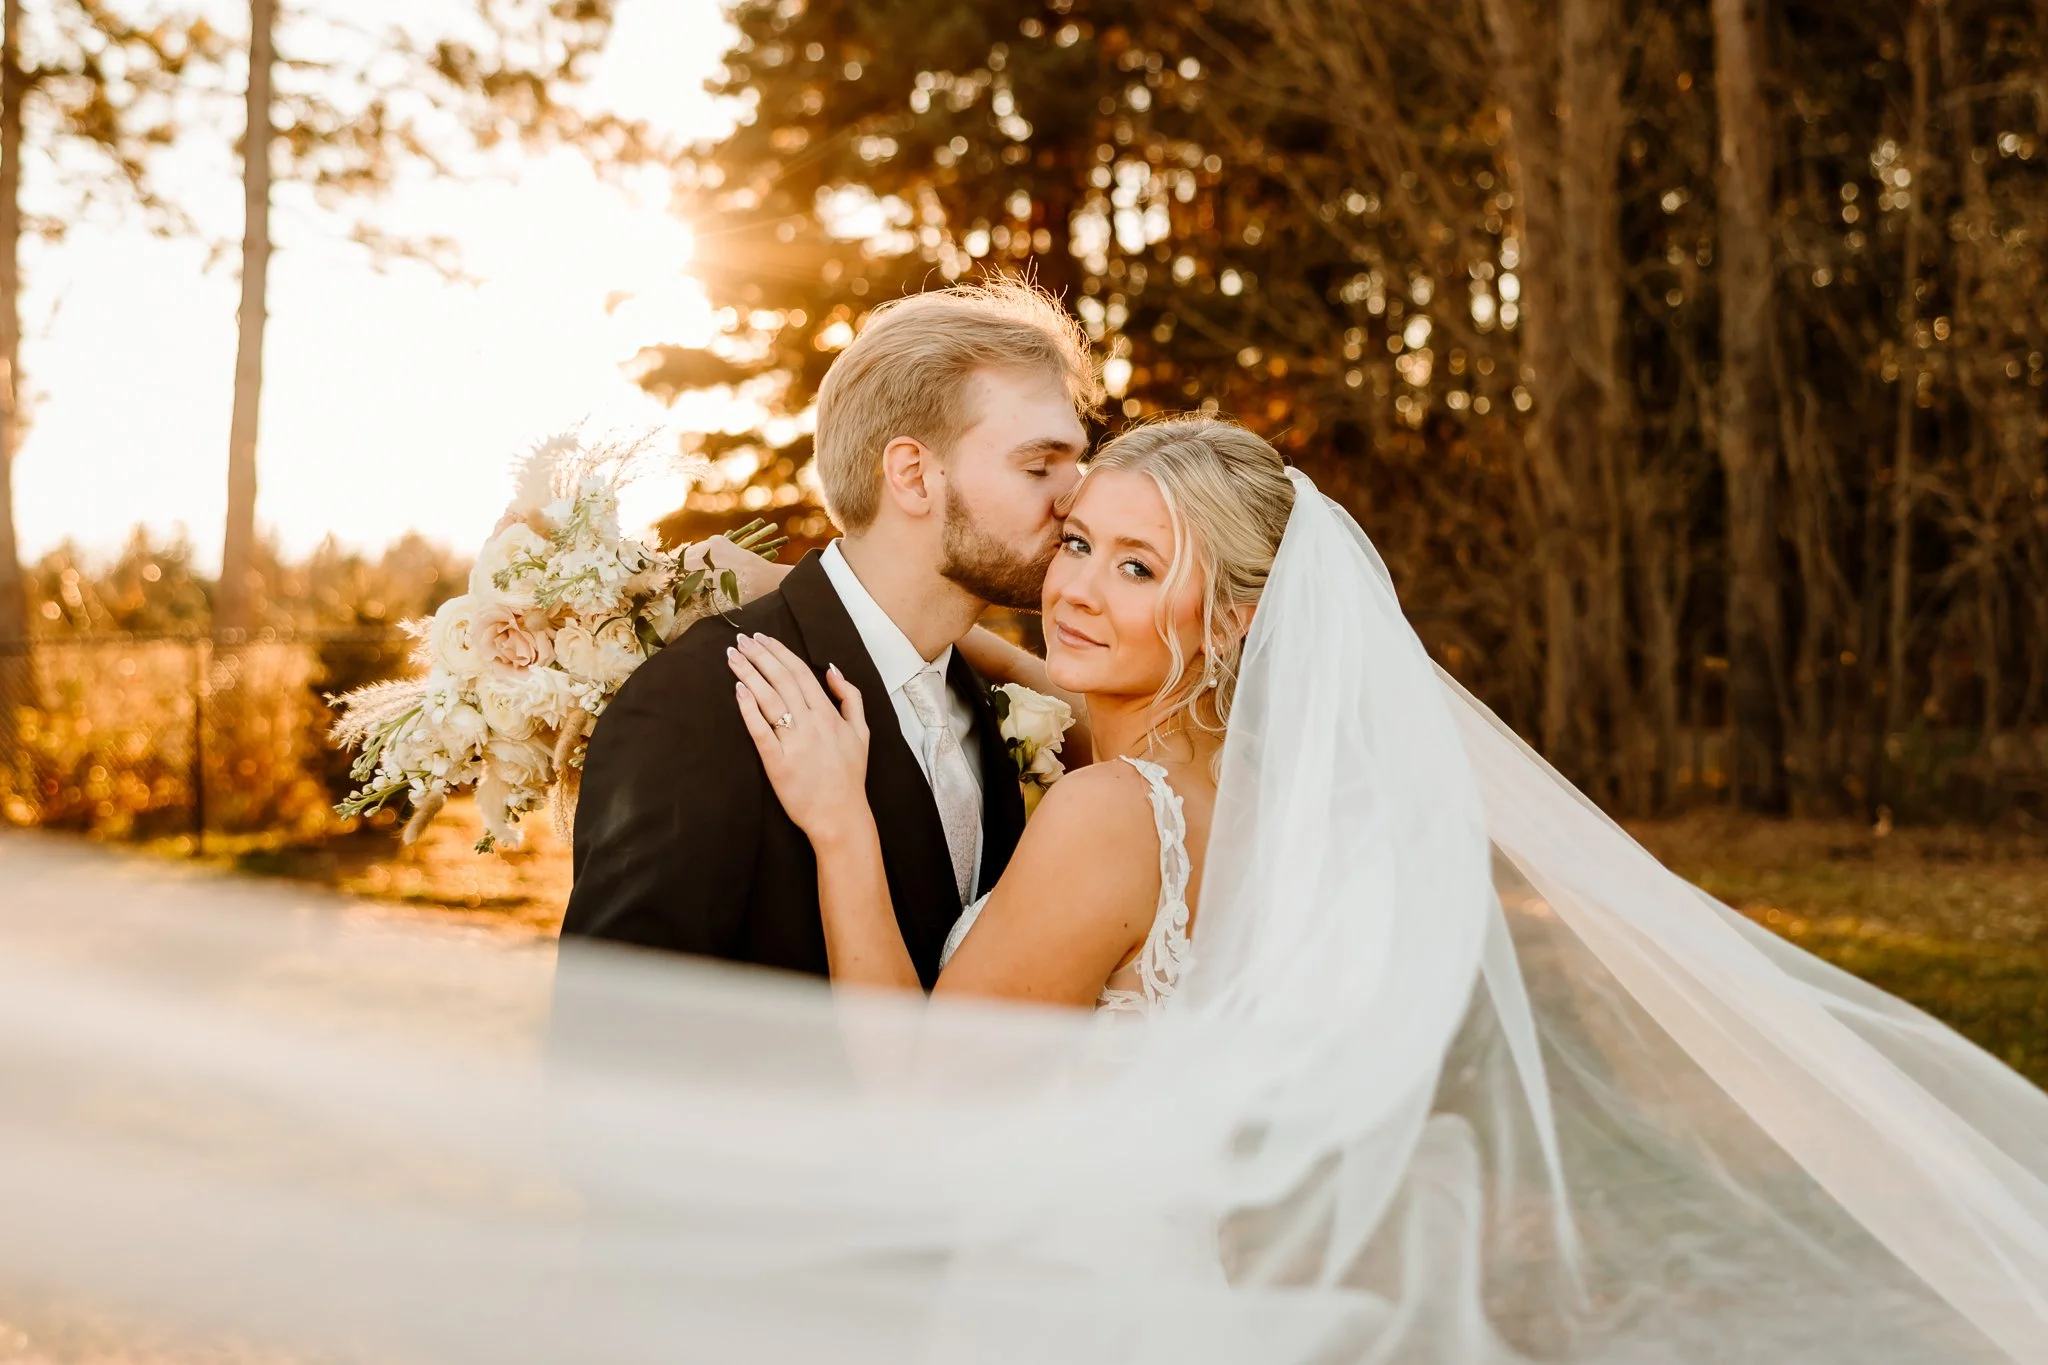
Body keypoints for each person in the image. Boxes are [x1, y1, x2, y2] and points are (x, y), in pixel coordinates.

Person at [558, 278, 1100, 984]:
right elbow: (610, 1048)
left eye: (1076, 460)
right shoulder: (705, 700)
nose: (1077, 493)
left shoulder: (979, 707)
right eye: (1039, 464)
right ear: (912, 476)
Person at [725, 417, 1291, 1013]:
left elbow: (923, 1095)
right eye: (1077, 543)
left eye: (1137, 569)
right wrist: (831, 597)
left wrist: (841, 825)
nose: (1076, 590)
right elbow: (1045, 679)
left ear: (1228, 621)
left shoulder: (1109, 812)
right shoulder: (1253, 781)